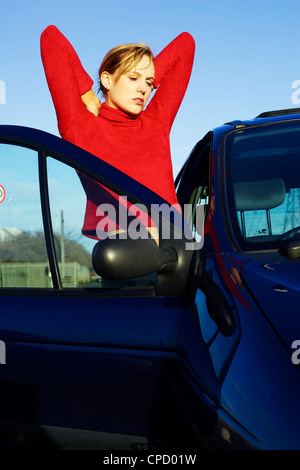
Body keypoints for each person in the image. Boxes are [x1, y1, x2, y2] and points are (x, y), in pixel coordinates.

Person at [40, 25, 195, 240]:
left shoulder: (156, 122)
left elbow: (185, 45)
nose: (144, 89)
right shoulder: (81, 128)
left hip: (178, 249)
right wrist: (87, 93)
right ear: (107, 80)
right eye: (133, 78)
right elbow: (51, 39)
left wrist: (144, 69)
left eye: (149, 82)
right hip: (126, 256)